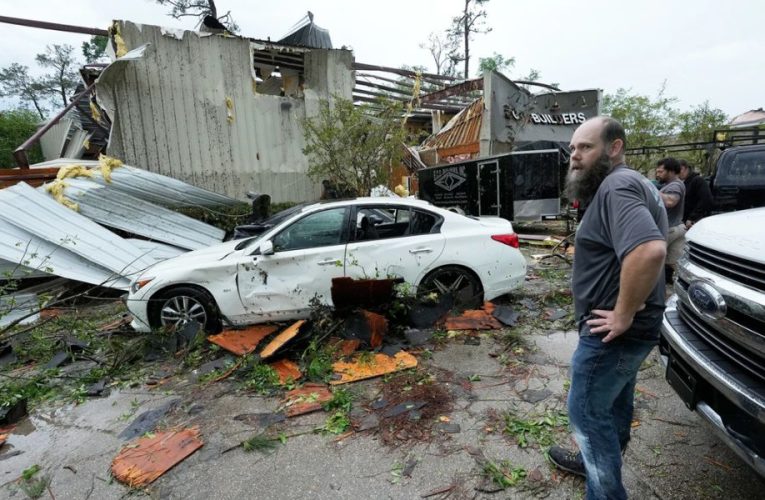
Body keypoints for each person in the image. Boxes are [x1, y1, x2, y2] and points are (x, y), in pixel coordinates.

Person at [549, 117, 667, 500]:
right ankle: (592, 463)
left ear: (614, 148)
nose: (575, 156)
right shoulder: (632, 184)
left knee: (585, 413)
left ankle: (605, 491)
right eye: (572, 149)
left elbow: (649, 250)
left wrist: (623, 313)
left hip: (613, 331)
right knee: (613, 406)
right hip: (629, 329)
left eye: (586, 147)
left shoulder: (617, 185)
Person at [656, 158, 686, 283]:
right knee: (675, 264)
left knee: (652, 260)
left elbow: (670, 201)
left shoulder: (676, 185)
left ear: (672, 171)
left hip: (669, 229)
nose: (657, 174)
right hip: (678, 228)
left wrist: (649, 189)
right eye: (657, 171)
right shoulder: (669, 185)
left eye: (661, 171)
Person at [678, 159, 713, 228]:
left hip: (695, 222)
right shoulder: (683, 182)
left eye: (679, 170)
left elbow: (706, 200)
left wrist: (692, 217)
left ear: (685, 168)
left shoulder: (698, 181)